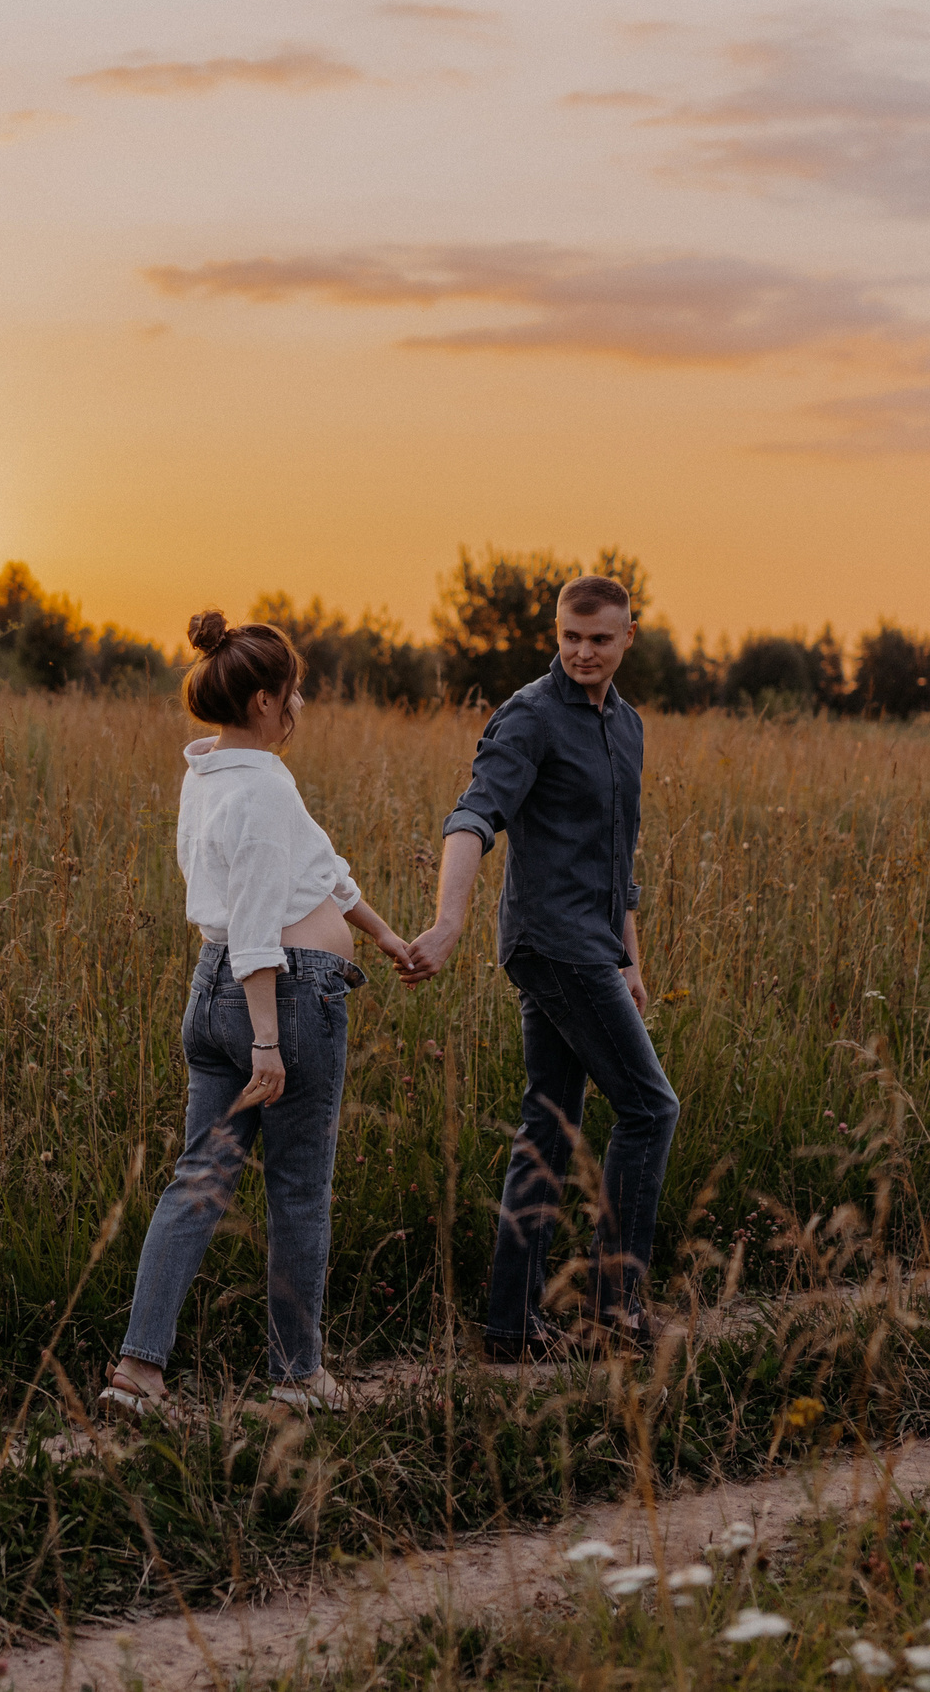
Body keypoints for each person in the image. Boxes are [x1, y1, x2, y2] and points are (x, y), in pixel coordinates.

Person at [101, 610, 414, 1418]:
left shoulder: (207, 773)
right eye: (297, 692)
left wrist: (382, 936)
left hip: (210, 996)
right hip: (281, 996)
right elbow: (255, 918)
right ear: (269, 700)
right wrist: (269, 1038)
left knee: (198, 1183)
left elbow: (318, 864)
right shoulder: (268, 786)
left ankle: (139, 1372)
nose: (301, 707)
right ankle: (297, 1375)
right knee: (300, 1191)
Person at [401, 574, 677, 1361]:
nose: (583, 652)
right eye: (569, 637)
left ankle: (511, 1326)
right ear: (557, 633)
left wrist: (631, 956)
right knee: (651, 1109)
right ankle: (610, 1308)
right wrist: (450, 920)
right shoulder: (529, 716)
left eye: (599, 638)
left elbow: (619, 858)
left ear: (629, 636)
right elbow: (472, 815)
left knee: (549, 1128)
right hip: (550, 943)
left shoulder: (628, 728)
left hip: (594, 947)